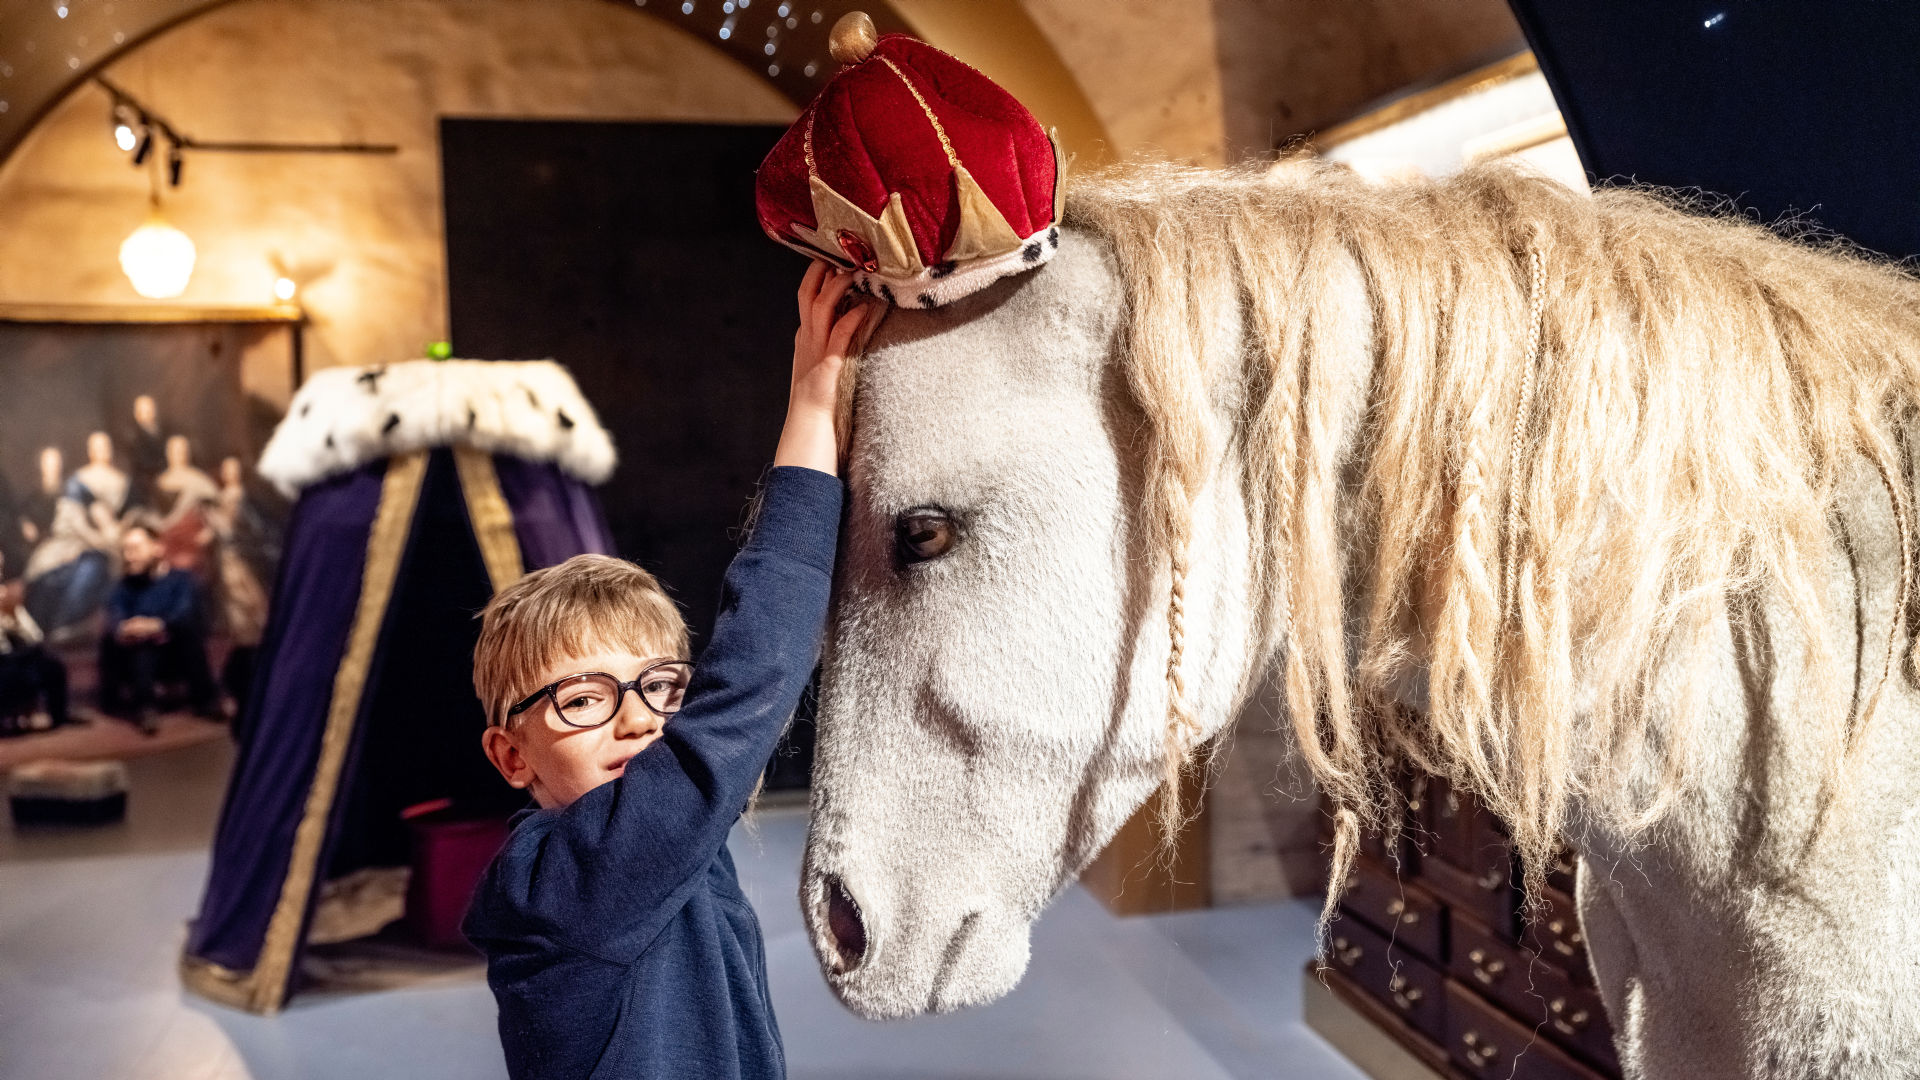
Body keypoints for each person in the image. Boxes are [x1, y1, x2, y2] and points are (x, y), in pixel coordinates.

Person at [462, 263, 871, 1080]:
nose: (641, 721)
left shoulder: (667, 851)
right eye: (582, 698)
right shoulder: (567, 884)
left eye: (662, 688)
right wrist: (814, 404)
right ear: (512, 756)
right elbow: (755, 669)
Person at [98, 522, 218, 734]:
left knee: (187, 630)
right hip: (140, 654)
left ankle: (206, 702)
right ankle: (146, 709)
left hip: (176, 651)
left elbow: (184, 612)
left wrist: (157, 625)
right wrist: (127, 629)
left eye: (135, 549)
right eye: (126, 550)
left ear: (157, 548)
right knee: (141, 646)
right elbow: (114, 617)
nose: (129, 556)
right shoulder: (124, 586)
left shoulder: (181, 579)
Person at [0, 549, 68, 736]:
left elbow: (35, 636)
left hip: (16, 656)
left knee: (51, 664)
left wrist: (14, 617)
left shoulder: (6, 598)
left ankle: (59, 717)